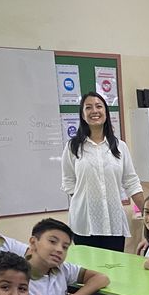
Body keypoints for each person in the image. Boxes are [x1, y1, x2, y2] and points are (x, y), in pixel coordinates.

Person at [61, 91, 144, 251]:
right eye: (88, 107)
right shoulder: (73, 147)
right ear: (82, 115)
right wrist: (87, 202)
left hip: (113, 223)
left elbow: (131, 182)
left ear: (105, 112)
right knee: (86, 267)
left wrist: (147, 213)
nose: (94, 111)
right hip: (84, 225)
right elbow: (69, 182)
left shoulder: (120, 147)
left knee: (114, 266)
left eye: (99, 106)